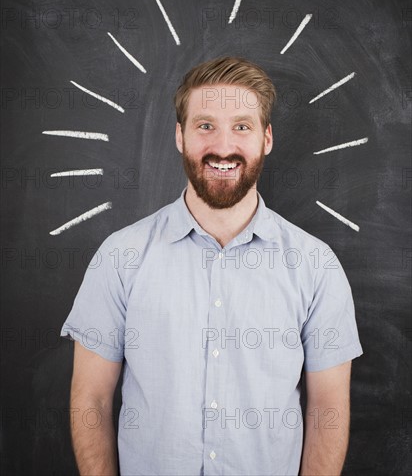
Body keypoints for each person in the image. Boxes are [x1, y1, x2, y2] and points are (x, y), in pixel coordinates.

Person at [61, 56, 363, 476]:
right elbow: (90, 399)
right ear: (180, 136)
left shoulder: (316, 266)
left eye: (242, 126)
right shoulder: (120, 257)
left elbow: (328, 409)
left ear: (267, 137)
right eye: (206, 126)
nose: (223, 147)